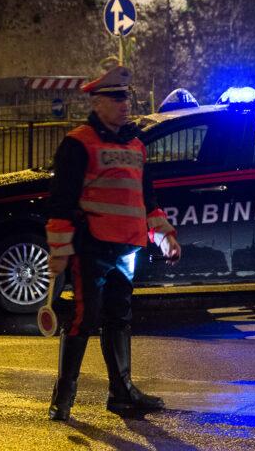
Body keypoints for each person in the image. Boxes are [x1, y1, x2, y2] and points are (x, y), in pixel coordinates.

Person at [45, 66, 181, 421]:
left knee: (119, 319)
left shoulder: (136, 145)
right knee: (83, 318)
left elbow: (146, 200)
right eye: (116, 97)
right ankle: (63, 399)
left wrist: (164, 236)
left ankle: (122, 393)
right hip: (92, 248)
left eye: (126, 96)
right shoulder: (79, 142)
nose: (125, 104)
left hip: (127, 249)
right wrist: (59, 251)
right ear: (98, 102)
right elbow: (60, 201)